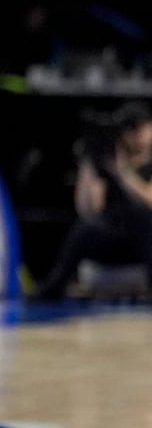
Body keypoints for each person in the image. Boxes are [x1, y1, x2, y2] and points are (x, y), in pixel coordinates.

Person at [33, 103, 152, 301]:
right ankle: (55, 285)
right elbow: (89, 209)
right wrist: (90, 166)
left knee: (139, 213)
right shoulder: (109, 161)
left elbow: (149, 202)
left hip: (145, 240)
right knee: (89, 226)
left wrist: (123, 175)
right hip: (115, 241)